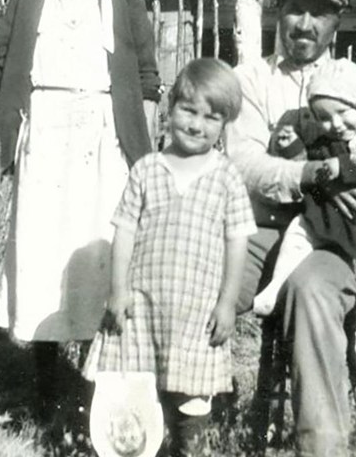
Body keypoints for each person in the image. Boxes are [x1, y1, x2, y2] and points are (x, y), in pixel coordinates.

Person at [0, 0, 160, 414]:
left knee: (95, 251)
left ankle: (94, 380)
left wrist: (142, 138)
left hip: (103, 134)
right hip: (46, 126)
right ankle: (43, 381)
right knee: (42, 248)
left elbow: (148, 73)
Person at [225, 0, 356, 456]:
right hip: (259, 229)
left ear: (337, 23)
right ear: (278, 16)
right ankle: (184, 421)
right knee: (194, 274)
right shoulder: (248, 81)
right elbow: (246, 164)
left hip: (331, 240)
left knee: (312, 292)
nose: (305, 25)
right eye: (295, 11)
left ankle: (323, 447)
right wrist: (320, 180)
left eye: (319, 14)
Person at [86, 59, 255, 457]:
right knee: (135, 388)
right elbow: (124, 231)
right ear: (170, 108)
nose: (197, 125)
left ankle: (187, 447)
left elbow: (237, 243)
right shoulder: (147, 169)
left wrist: (227, 302)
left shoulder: (226, 177)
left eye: (211, 118)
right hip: (143, 306)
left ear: (224, 124)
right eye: (188, 111)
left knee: (191, 395)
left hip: (198, 311)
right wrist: (118, 289)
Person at [252, 58, 356, 376]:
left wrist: (343, 168)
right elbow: (311, 162)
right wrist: (293, 144)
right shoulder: (330, 140)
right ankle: (274, 286)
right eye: (324, 117)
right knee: (299, 232)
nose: (335, 124)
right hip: (334, 222)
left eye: (343, 113)